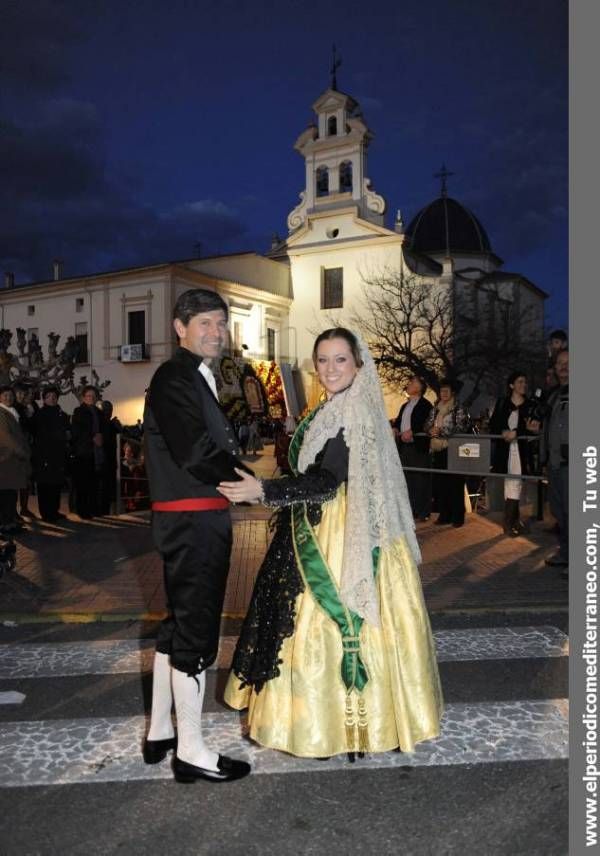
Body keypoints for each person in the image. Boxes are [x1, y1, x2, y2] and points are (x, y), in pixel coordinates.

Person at [219, 328, 443, 759]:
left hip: (345, 534)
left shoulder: (354, 412)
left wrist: (262, 492)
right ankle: (343, 726)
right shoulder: (332, 408)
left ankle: (342, 727)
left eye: (340, 360)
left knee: (333, 623)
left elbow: (325, 483)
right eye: (322, 360)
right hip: (333, 522)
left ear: (358, 365)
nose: (330, 369)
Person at [143, 287, 252, 784]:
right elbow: (195, 451)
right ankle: (191, 751)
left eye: (221, 323)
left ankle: (161, 730)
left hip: (185, 517)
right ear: (179, 327)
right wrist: (247, 485)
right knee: (197, 631)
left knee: (177, 623)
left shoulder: (188, 376)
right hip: (194, 519)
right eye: (204, 322)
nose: (216, 331)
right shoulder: (176, 375)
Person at [489, 372, 539, 537]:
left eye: (525, 382)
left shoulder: (530, 405)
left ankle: (510, 521)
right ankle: (510, 522)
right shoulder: (503, 403)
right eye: (520, 382)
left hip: (521, 451)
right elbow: (493, 424)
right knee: (510, 483)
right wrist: (503, 432)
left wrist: (516, 432)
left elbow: (533, 426)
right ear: (511, 385)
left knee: (515, 482)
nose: (523, 385)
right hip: (506, 451)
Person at [425, 379, 470, 528]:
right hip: (438, 449)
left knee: (455, 483)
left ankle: (457, 516)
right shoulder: (435, 408)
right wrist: (430, 430)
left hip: (454, 448)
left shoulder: (458, 408)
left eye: (446, 391)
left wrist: (441, 431)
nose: (443, 393)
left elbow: (461, 427)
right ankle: (444, 515)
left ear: (452, 393)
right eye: (441, 391)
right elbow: (427, 424)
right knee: (441, 483)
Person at [541, 349, 569, 577]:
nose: (564, 366)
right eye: (560, 363)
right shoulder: (554, 395)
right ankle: (566, 554)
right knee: (560, 512)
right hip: (555, 464)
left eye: (569, 362)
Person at [393, 375, 433, 520]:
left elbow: (426, 423)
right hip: (405, 447)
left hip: (418, 447)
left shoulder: (425, 405)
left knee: (421, 479)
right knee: (408, 479)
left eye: (413, 382)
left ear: (420, 387)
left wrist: (413, 432)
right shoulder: (405, 405)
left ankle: (423, 512)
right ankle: (411, 510)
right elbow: (399, 422)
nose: (409, 384)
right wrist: (396, 429)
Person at [31, 386, 70, 522]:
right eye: (49, 397)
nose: (52, 399)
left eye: (54, 397)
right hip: (44, 455)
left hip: (58, 455)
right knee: (45, 485)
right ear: (44, 399)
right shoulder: (39, 415)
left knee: (56, 484)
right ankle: (46, 513)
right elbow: (40, 435)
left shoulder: (62, 414)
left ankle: (54, 510)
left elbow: (67, 431)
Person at [70, 386, 107, 519]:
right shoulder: (79, 411)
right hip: (84, 451)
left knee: (95, 483)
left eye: (93, 396)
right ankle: (82, 510)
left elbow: (104, 429)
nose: (91, 398)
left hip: (97, 452)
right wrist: (93, 437)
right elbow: (77, 431)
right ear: (83, 397)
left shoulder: (99, 412)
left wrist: (101, 436)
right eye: (88, 396)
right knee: (83, 483)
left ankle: (94, 508)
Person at [0, 385, 31, 534]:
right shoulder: (1, 413)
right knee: (6, 494)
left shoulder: (11, 412)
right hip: (6, 460)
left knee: (11, 494)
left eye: (10, 395)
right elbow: (6, 437)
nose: (8, 397)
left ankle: (11, 522)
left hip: (12, 460)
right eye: (5, 395)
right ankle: (6, 525)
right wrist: (21, 452)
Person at [12, 381, 36, 519]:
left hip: (27, 447)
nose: (21, 396)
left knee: (26, 480)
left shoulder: (29, 407)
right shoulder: (12, 408)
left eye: (24, 393)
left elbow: (33, 427)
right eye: (19, 393)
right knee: (15, 482)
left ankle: (24, 508)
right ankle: (14, 511)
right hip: (15, 449)